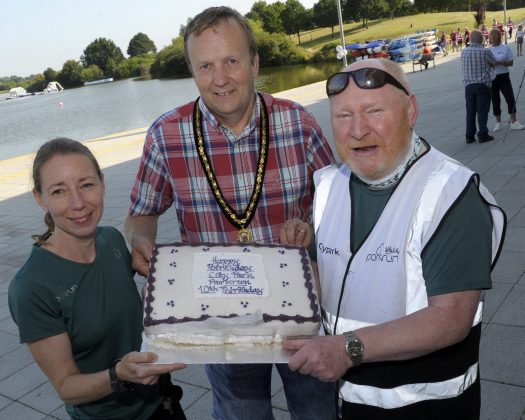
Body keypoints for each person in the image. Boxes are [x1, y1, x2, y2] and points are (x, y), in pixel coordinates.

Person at [124, 6, 337, 420]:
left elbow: (340, 206)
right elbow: (141, 213)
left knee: (317, 410)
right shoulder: (166, 134)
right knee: (243, 414)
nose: (220, 79)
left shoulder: (299, 123)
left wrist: (310, 227)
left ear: (255, 62)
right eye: (205, 66)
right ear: (192, 71)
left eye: (231, 61)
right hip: (217, 320)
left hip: (298, 314)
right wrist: (138, 240)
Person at [282, 58, 506, 419]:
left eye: (374, 111)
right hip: (352, 399)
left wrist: (347, 349)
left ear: (411, 110)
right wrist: (291, 272)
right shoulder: (328, 184)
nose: (357, 130)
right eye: (343, 116)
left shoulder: (451, 194)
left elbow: (450, 318)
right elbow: (322, 270)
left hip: (429, 406)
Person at [8, 138, 187, 419]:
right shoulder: (30, 288)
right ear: (40, 198)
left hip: (162, 404)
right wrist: (118, 375)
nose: (78, 203)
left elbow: (116, 312)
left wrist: (156, 302)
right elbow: (66, 386)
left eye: (86, 184)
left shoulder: (111, 240)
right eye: (59, 191)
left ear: (102, 184)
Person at [461, 29, 497, 144]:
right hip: (483, 85)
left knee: (470, 111)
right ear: (481, 39)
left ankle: (469, 136)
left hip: (468, 85)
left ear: (470, 39)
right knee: (482, 111)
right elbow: (494, 62)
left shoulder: (464, 52)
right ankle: (483, 134)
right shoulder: (485, 52)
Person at [489, 29, 525, 132]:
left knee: (510, 98)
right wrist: (493, 64)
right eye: (493, 37)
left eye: (496, 37)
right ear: (491, 38)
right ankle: (498, 123)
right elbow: (486, 64)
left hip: (504, 76)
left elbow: (511, 63)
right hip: (493, 77)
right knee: (495, 100)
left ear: (499, 38)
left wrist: (504, 62)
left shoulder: (505, 47)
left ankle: (514, 122)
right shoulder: (488, 50)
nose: (494, 39)